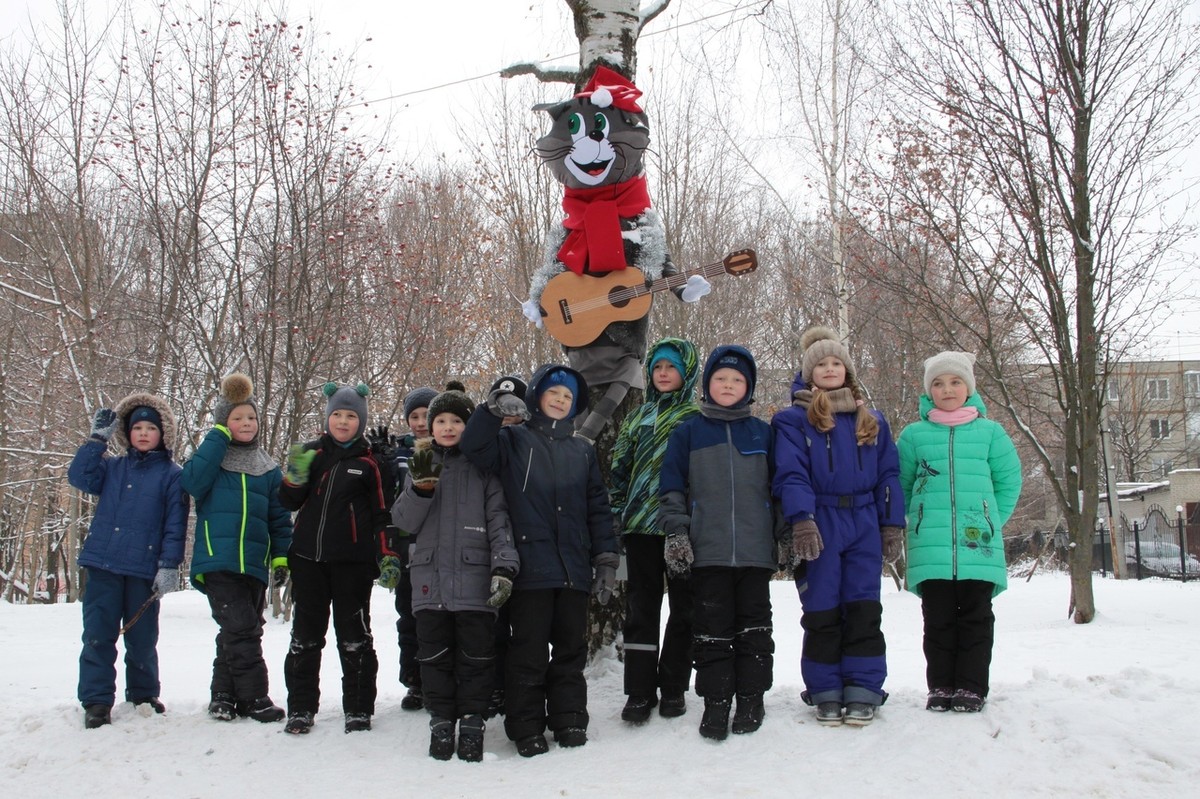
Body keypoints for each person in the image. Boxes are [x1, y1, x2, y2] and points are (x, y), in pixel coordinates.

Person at [460, 364, 618, 758]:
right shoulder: (513, 440)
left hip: (573, 571)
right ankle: (526, 726)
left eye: (568, 396)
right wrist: (493, 408)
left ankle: (568, 720)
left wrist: (606, 560)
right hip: (530, 569)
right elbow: (474, 447)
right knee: (527, 652)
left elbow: (597, 508)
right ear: (538, 397)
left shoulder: (582, 450)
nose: (561, 400)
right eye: (554, 393)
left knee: (570, 652)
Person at [771, 327, 906, 727]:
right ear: (809, 373)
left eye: (837, 363)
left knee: (863, 606)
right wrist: (802, 520)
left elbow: (889, 476)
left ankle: (864, 686)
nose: (830, 369)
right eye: (821, 364)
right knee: (822, 607)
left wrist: (891, 524)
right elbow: (790, 474)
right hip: (822, 519)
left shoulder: (872, 419)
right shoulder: (793, 421)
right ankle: (825, 688)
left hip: (864, 519)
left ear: (846, 371)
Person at [658, 345, 787, 741]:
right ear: (707, 384)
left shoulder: (764, 432)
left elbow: (781, 488)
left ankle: (751, 697)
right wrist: (677, 532)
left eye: (737, 380)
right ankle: (716, 702)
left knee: (754, 630)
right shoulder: (689, 431)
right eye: (720, 379)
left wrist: (783, 536)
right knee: (711, 632)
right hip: (707, 551)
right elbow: (672, 487)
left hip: (754, 553)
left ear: (748, 388)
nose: (728, 385)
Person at [392, 387, 519, 761]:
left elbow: (500, 522)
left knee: (476, 656)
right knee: (434, 657)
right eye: (441, 421)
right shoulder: (421, 462)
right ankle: (441, 721)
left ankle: (473, 720)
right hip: (429, 581)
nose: (448, 428)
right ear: (430, 427)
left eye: (457, 421)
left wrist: (504, 567)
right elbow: (403, 522)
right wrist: (420, 490)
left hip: (474, 580)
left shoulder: (483, 468)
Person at [896, 351, 1022, 713]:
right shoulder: (913, 436)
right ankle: (940, 686)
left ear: (968, 387)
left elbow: (1009, 482)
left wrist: (990, 522)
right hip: (930, 546)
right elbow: (901, 486)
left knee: (975, 619)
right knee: (937, 621)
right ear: (928, 391)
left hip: (977, 546)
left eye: (954, 382)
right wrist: (915, 519)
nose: (946, 389)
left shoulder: (990, 433)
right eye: (938, 383)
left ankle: (970, 687)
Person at [67, 392, 189, 729]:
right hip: (103, 565)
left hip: (143, 571)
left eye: (152, 427)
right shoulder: (111, 467)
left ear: (163, 433)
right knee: (97, 635)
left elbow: (174, 526)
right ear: (127, 432)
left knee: (142, 638)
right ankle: (96, 701)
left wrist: (168, 565)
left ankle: (144, 693)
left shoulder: (173, 475)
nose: (145, 433)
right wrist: (96, 441)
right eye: (138, 428)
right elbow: (79, 477)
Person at [279, 381, 393, 735]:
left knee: (355, 637)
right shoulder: (311, 453)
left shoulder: (370, 463)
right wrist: (295, 475)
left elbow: (382, 513)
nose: (343, 421)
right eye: (337, 415)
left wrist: (387, 555)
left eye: (350, 416)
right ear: (328, 417)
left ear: (360, 420)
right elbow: (288, 502)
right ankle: (300, 708)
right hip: (308, 559)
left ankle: (358, 709)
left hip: (353, 564)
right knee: (305, 636)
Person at [181, 373, 292, 724]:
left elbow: (278, 517)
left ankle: (223, 697)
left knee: (236, 630)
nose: (247, 423)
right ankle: (255, 697)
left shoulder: (268, 467)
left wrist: (281, 556)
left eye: (252, 417)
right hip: (219, 559)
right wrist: (216, 436)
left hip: (255, 563)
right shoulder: (213, 459)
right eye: (237, 417)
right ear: (224, 423)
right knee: (243, 629)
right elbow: (192, 483)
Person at [609, 337, 700, 723]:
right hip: (640, 529)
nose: (663, 374)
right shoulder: (637, 416)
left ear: (687, 373)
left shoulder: (698, 417)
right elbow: (619, 468)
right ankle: (639, 691)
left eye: (671, 368)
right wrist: (615, 513)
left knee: (685, 609)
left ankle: (675, 686)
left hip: (684, 530)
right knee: (641, 609)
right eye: (657, 368)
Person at [376, 384, 437, 712]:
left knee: (434, 619)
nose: (420, 421)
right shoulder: (398, 453)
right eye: (413, 416)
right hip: (405, 547)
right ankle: (414, 682)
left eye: (426, 414)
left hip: (437, 548)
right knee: (408, 619)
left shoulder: (448, 448)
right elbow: (385, 498)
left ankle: (436, 678)